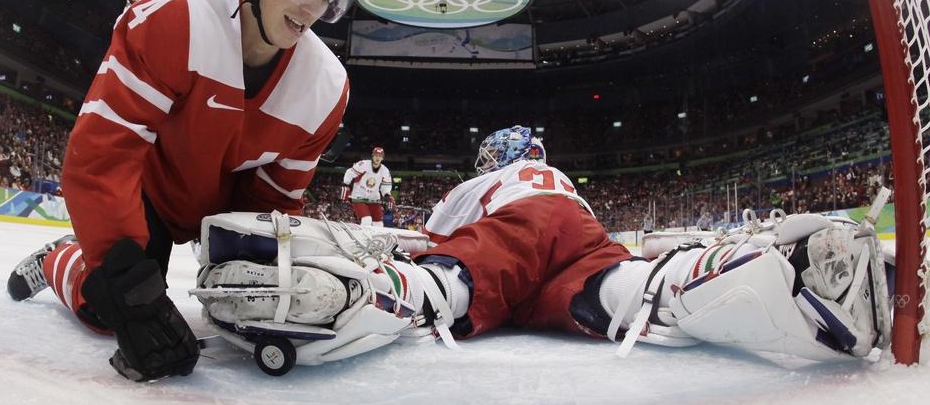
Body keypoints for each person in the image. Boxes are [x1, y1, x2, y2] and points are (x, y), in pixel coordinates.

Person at [5, 0, 365, 382]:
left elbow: (273, 201)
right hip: (142, 193)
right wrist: (128, 285)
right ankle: (60, 259)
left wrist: (249, 274)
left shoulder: (327, 88)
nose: (311, 10)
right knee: (105, 310)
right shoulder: (173, 18)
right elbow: (101, 157)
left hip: (213, 211)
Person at [203, 125, 891, 367]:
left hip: (519, 232)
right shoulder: (560, 177)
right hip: (579, 240)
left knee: (446, 282)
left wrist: (408, 260)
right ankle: (771, 272)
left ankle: (349, 296)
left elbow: (440, 236)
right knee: (635, 292)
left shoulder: (493, 181)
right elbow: (594, 240)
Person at [342, 146, 394, 226]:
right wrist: (346, 184)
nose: (377, 158)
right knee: (367, 220)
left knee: (379, 224)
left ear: (382, 158)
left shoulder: (385, 170)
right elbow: (350, 172)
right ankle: (363, 238)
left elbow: (386, 185)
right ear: (372, 156)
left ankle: (377, 238)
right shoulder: (363, 164)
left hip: (373, 198)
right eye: (376, 155)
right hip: (359, 196)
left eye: (380, 156)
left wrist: (386, 195)